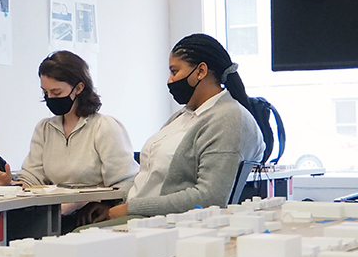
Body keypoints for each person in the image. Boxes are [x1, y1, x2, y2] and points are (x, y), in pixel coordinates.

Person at [98, 33, 265, 222]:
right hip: (139, 215)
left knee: (73, 240)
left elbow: (210, 197)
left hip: (162, 223)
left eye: (174, 71)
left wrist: (130, 208)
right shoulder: (183, 116)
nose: (170, 80)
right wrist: (113, 204)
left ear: (201, 71)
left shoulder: (228, 117)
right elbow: (149, 177)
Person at [0, 50, 137, 190]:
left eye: (56, 92)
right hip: (58, 212)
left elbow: (127, 182)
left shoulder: (104, 127)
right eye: (46, 93)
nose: (50, 98)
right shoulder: (44, 129)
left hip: (90, 213)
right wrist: (9, 184)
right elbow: (32, 178)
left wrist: (103, 205)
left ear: (79, 88)